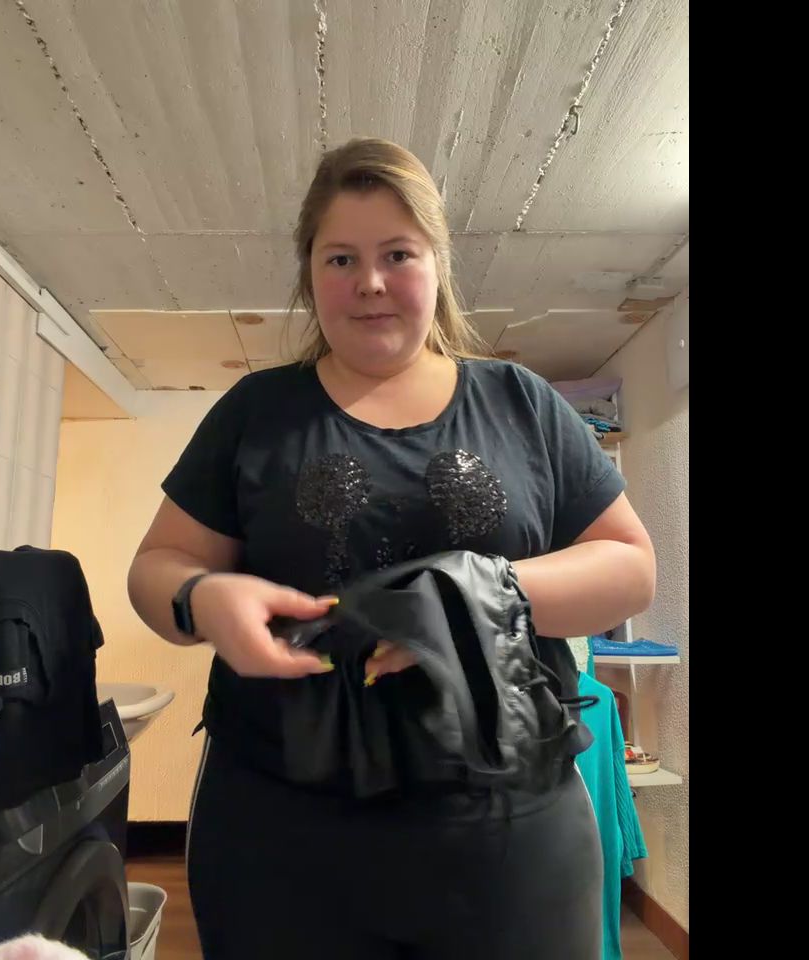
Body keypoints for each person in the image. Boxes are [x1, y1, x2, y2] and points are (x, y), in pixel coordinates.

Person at [127, 137, 656, 959]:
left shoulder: (521, 402)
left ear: (436, 264)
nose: (369, 282)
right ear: (310, 274)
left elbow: (630, 568)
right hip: (281, 827)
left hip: (508, 825)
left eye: (397, 254)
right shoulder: (255, 411)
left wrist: (474, 599)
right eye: (341, 258)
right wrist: (200, 598)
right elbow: (155, 568)